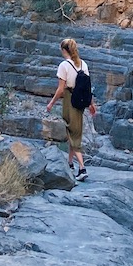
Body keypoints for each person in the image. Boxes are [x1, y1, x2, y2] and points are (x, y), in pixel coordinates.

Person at [45, 36, 97, 179]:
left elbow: (61, 89)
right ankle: (70, 163)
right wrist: (91, 104)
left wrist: (51, 103)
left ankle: (82, 168)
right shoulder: (83, 65)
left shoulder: (64, 66)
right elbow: (88, 87)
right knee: (73, 129)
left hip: (70, 99)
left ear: (64, 50)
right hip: (81, 100)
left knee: (73, 132)